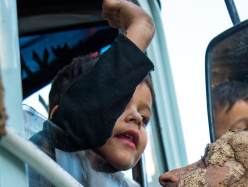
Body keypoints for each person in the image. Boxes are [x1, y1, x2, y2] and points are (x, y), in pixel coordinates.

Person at [31, 0, 155, 172]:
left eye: (145, 117)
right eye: (119, 103)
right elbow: (81, 123)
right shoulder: (47, 153)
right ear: (60, 116)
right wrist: (142, 28)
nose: (138, 118)